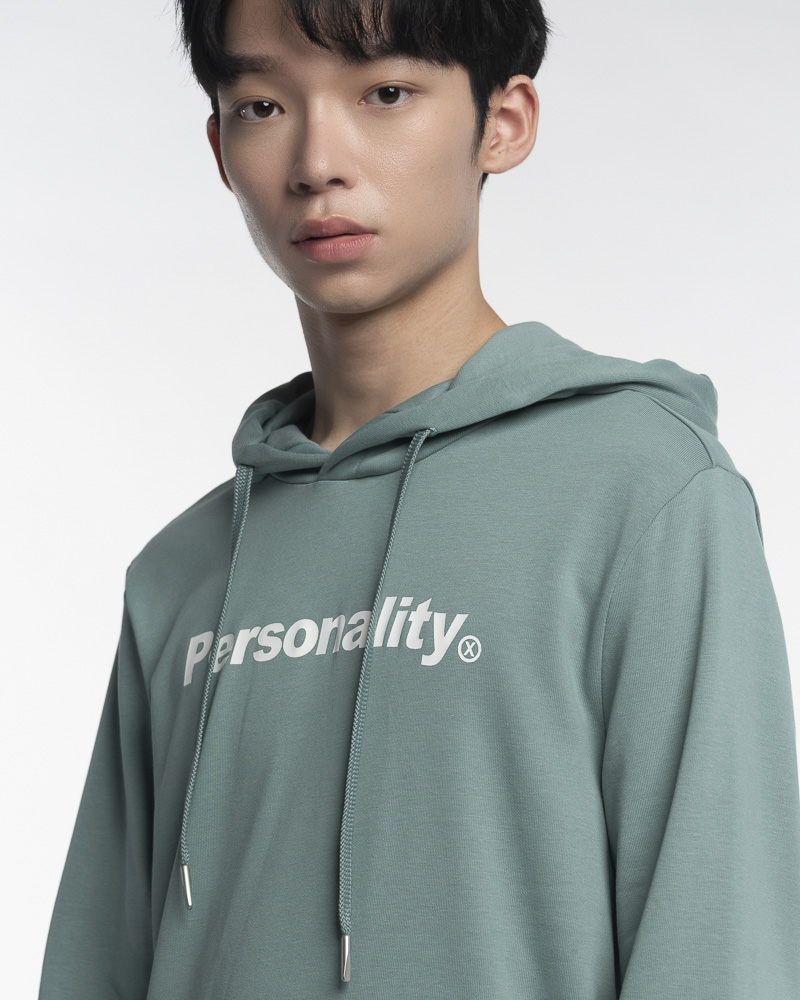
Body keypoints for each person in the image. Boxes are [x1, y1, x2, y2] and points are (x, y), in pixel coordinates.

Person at [38, 0, 800, 997]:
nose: (318, 161)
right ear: (220, 147)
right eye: (263, 106)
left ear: (502, 123)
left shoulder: (646, 497)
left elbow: (721, 951)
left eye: (386, 92)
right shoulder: (180, 574)